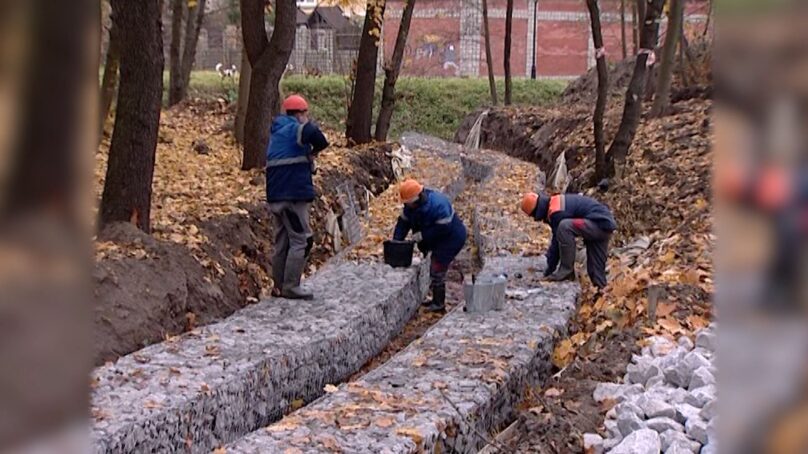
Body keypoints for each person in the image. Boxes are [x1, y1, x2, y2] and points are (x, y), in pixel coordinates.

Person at [266, 94, 329, 300]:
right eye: (305, 113)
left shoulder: (277, 131)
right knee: (301, 239)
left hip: (275, 196)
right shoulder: (296, 129)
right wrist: (314, 151)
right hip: (292, 196)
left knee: (282, 240)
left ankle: (278, 286)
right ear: (300, 114)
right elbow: (319, 138)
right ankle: (291, 286)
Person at [393, 179, 467, 312]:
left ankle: (439, 303)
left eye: (408, 203)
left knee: (437, 267)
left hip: (452, 238)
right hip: (436, 235)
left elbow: (443, 229)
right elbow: (403, 223)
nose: (406, 206)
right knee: (433, 264)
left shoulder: (438, 205)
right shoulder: (411, 207)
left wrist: (423, 236)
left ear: (416, 199)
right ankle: (435, 298)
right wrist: (396, 242)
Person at [521, 192, 617, 288]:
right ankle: (602, 293)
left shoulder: (556, 212)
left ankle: (566, 271)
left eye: (534, 216)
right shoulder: (555, 202)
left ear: (537, 211)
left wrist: (549, 270)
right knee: (596, 271)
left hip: (597, 223)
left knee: (564, 227)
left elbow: (556, 243)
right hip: (603, 225)